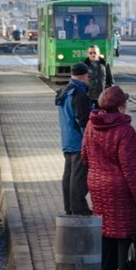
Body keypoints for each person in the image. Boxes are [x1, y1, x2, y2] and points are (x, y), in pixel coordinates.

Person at [81, 86, 136, 270]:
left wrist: (98, 173)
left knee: (107, 229)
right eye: (124, 103)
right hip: (121, 187)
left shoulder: (91, 125)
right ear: (120, 107)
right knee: (126, 230)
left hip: (97, 184)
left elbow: (84, 156)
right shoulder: (124, 131)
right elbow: (131, 167)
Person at [54, 62, 92, 216]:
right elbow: (82, 120)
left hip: (67, 139)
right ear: (85, 75)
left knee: (69, 175)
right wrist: (89, 140)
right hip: (78, 141)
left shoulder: (64, 90)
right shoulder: (79, 94)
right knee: (78, 177)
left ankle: (70, 206)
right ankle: (78, 208)